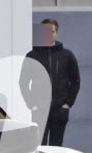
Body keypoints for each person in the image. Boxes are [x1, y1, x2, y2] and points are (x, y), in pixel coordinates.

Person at [21, 18, 80, 146]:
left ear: (56, 33)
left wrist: (68, 104)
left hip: (60, 110)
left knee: (56, 148)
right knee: (38, 147)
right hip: (39, 110)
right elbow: (23, 82)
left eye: (52, 31)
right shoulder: (32, 56)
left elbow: (75, 81)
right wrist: (32, 105)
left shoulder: (67, 55)